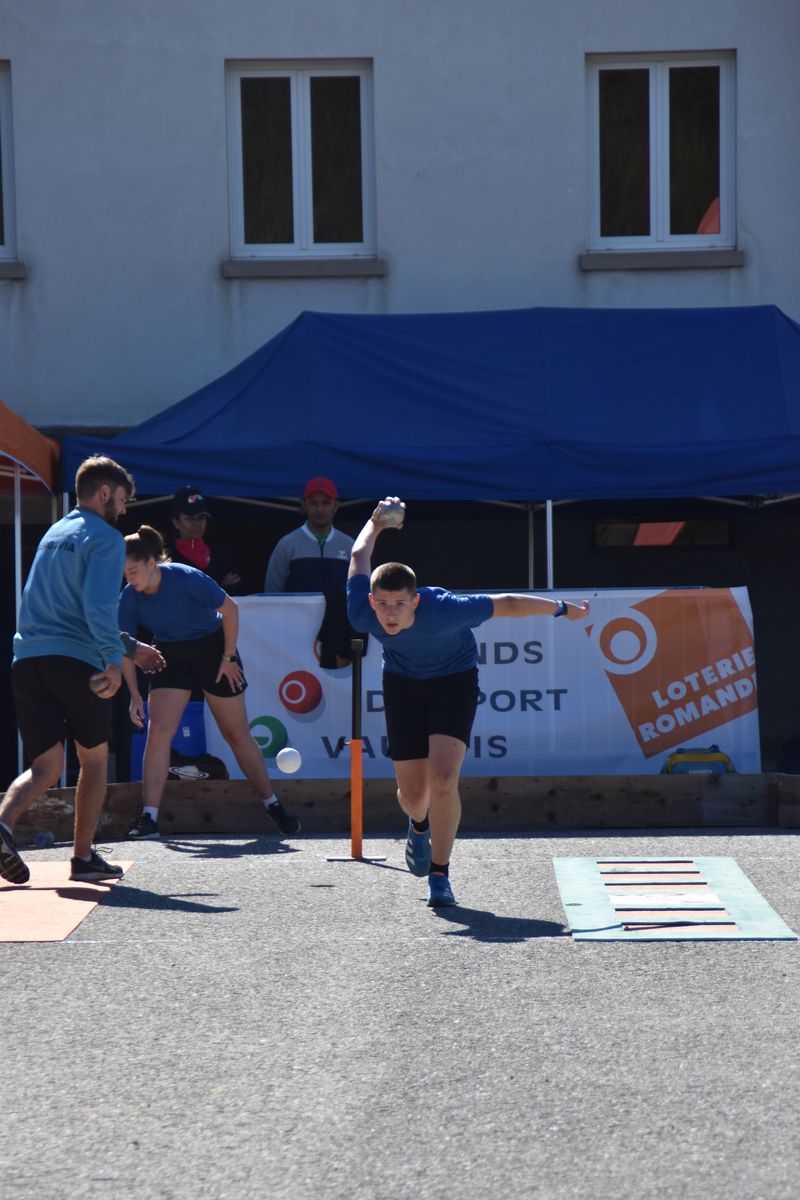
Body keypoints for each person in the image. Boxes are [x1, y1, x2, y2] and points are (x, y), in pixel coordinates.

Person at [346, 497, 590, 908]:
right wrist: (375, 522)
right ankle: (418, 825)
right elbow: (358, 556)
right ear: (372, 602)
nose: (390, 614)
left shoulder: (445, 609)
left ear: (415, 601)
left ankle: (440, 875)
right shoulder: (361, 613)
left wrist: (563, 609)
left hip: (454, 682)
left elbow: (509, 603)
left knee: (444, 779)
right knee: (413, 797)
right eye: (383, 605)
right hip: (402, 685)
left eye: (400, 604)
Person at [0, 455, 166, 886]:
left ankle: (2, 825)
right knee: (93, 760)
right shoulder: (106, 538)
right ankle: (83, 857)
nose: (123, 510)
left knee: (45, 766)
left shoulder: (54, 533)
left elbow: (53, 603)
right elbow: (97, 607)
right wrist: (114, 659)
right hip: (75, 661)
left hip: (27, 658)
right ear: (104, 492)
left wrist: (128, 647)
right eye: (122, 499)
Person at [120, 525, 301, 840]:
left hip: (213, 648)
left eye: (133, 571)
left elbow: (230, 609)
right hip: (170, 654)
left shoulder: (185, 577)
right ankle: (149, 818)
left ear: (151, 563)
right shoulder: (130, 597)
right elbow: (124, 645)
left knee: (236, 734)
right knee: (158, 732)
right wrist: (134, 695)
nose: (130, 579)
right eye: (125, 574)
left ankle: (273, 805)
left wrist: (228, 658)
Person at [264, 477, 354, 593]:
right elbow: (271, 595)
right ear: (304, 505)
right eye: (313, 503)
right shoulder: (286, 545)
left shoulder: (349, 546)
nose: (320, 509)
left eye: (326, 502)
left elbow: (358, 594)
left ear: (336, 505)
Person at [169, 485, 243, 593]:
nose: (196, 523)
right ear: (176, 522)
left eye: (201, 518)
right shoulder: (168, 559)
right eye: (190, 518)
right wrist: (221, 589)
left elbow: (238, 592)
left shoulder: (219, 556)